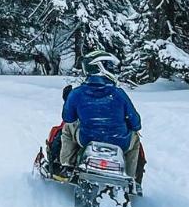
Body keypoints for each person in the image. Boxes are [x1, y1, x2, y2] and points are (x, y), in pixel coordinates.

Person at [58, 51, 142, 184]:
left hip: (87, 139)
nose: (112, 70)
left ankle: (67, 163)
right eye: (109, 66)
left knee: (67, 128)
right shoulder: (119, 94)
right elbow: (136, 123)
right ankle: (130, 178)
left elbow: (68, 118)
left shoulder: (76, 93)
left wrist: (69, 100)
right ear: (101, 68)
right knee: (136, 139)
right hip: (119, 141)